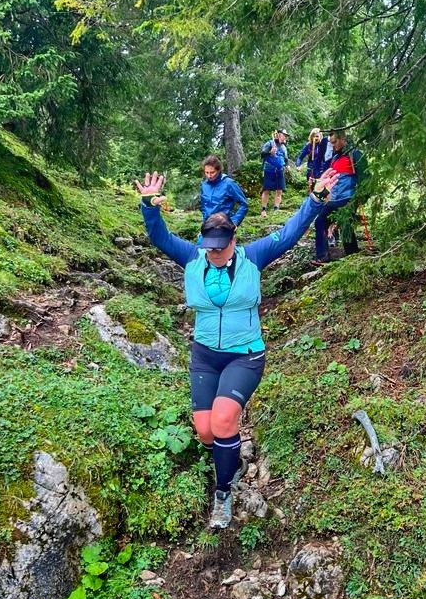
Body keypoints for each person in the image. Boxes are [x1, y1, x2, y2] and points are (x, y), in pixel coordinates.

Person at [135, 166, 341, 529]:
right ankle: (231, 460)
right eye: (209, 247)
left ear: (232, 240)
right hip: (204, 355)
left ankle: (224, 493)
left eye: (220, 247)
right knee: (205, 431)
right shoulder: (193, 258)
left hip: (245, 355)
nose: (214, 253)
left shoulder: (253, 257)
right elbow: (159, 236)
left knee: (223, 420)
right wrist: (149, 206)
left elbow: (290, 233)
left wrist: (315, 199)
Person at [312, 130, 361, 265]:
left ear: (343, 139)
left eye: (334, 142)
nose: (332, 145)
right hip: (334, 199)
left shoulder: (355, 154)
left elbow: (365, 178)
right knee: (320, 221)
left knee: (345, 223)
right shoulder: (335, 157)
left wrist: (359, 198)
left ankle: (352, 255)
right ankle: (323, 257)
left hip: (349, 197)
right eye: (331, 142)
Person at [199, 154, 248, 228]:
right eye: (207, 172)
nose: (209, 176)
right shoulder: (204, 185)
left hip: (224, 225)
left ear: (218, 170)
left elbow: (244, 204)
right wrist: (203, 225)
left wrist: (235, 222)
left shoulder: (229, 183)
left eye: (212, 172)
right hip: (208, 225)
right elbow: (204, 207)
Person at [259, 128, 290, 216]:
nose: (285, 137)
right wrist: (270, 152)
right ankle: (263, 209)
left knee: (279, 190)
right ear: (279, 134)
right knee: (266, 190)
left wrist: (287, 165)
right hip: (269, 170)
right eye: (284, 135)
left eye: (286, 136)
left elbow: (285, 158)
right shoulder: (270, 143)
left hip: (279, 170)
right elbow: (262, 154)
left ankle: (276, 209)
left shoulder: (283, 147)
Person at [296, 128, 330, 194]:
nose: (315, 138)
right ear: (311, 137)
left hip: (321, 171)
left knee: (320, 190)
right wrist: (298, 165)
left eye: (317, 136)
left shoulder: (323, 145)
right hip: (311, 171)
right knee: (311, 190)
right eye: (313, 136)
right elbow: (300, 157)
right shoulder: (308, 145)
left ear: (320, 136)